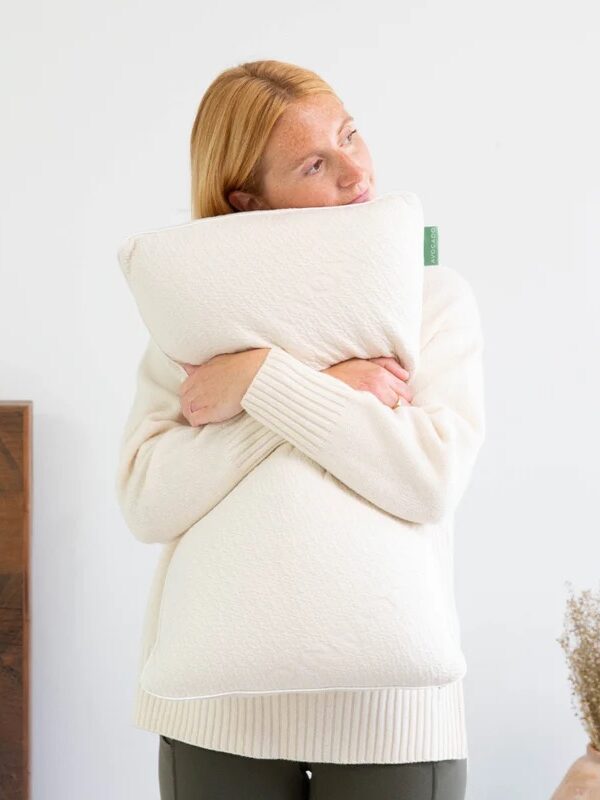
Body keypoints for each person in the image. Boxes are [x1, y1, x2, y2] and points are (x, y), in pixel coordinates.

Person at [116, 59, 485, 800]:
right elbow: (148, 503)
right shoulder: (190, 322)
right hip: (219, 713)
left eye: (352, 136)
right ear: (247, 198)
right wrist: (315, 388)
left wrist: (259, 382)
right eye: (316, 163)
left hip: (392, 713)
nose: (357, 173)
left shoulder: (431, 299)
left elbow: (429, 478)